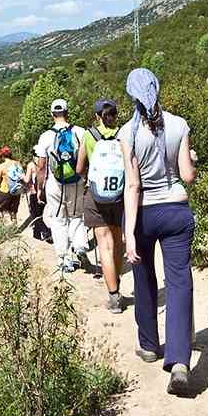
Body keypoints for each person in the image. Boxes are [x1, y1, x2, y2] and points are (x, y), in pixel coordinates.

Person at [120, 68, 197, 396]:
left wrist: (130, 232)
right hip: (176, 209)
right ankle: (179, 361)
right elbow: (187, 176)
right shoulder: (179, 125)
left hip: (144, 215)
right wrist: (191, 158)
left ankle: (150, 345)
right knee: (179, 281)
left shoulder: (127, 133)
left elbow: (133, 185)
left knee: (144, 278)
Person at [77, 98, 126, 314]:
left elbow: (79, 168)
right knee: (117, 243)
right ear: (115, 115)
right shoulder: (125, 133)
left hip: (96, 196)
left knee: (104, 245)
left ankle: (114, 297)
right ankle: (117, 282)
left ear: (97, 116)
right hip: (121, 195)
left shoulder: (89, 135)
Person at [36, 99, 90, 273]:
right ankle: (80, 245)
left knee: (58, 220)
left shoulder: (46, 136)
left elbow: (41, 166)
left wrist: (39, 187)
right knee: (76, 215)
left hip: (54, 182)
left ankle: (64, 258)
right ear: (67, 113)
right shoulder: (80, 132)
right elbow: (87, 158)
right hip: (77, 180)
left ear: (52, 115)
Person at [25, 146, 52, 243]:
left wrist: (21, 178)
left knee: (35, 215)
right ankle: (40, 233)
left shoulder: (31, 165)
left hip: (34, 192)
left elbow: (27, 180)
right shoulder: (46, 164)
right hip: (46, 193)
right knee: (42, 213)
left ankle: (44, 233)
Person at [0, 146, 23, 223]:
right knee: (14, 212)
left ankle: (8, 232)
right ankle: (15, 228)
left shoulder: (2, 166)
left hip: (5, 191)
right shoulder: (17, 163)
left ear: (2, 156)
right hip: (17, 190)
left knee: (4, 212)